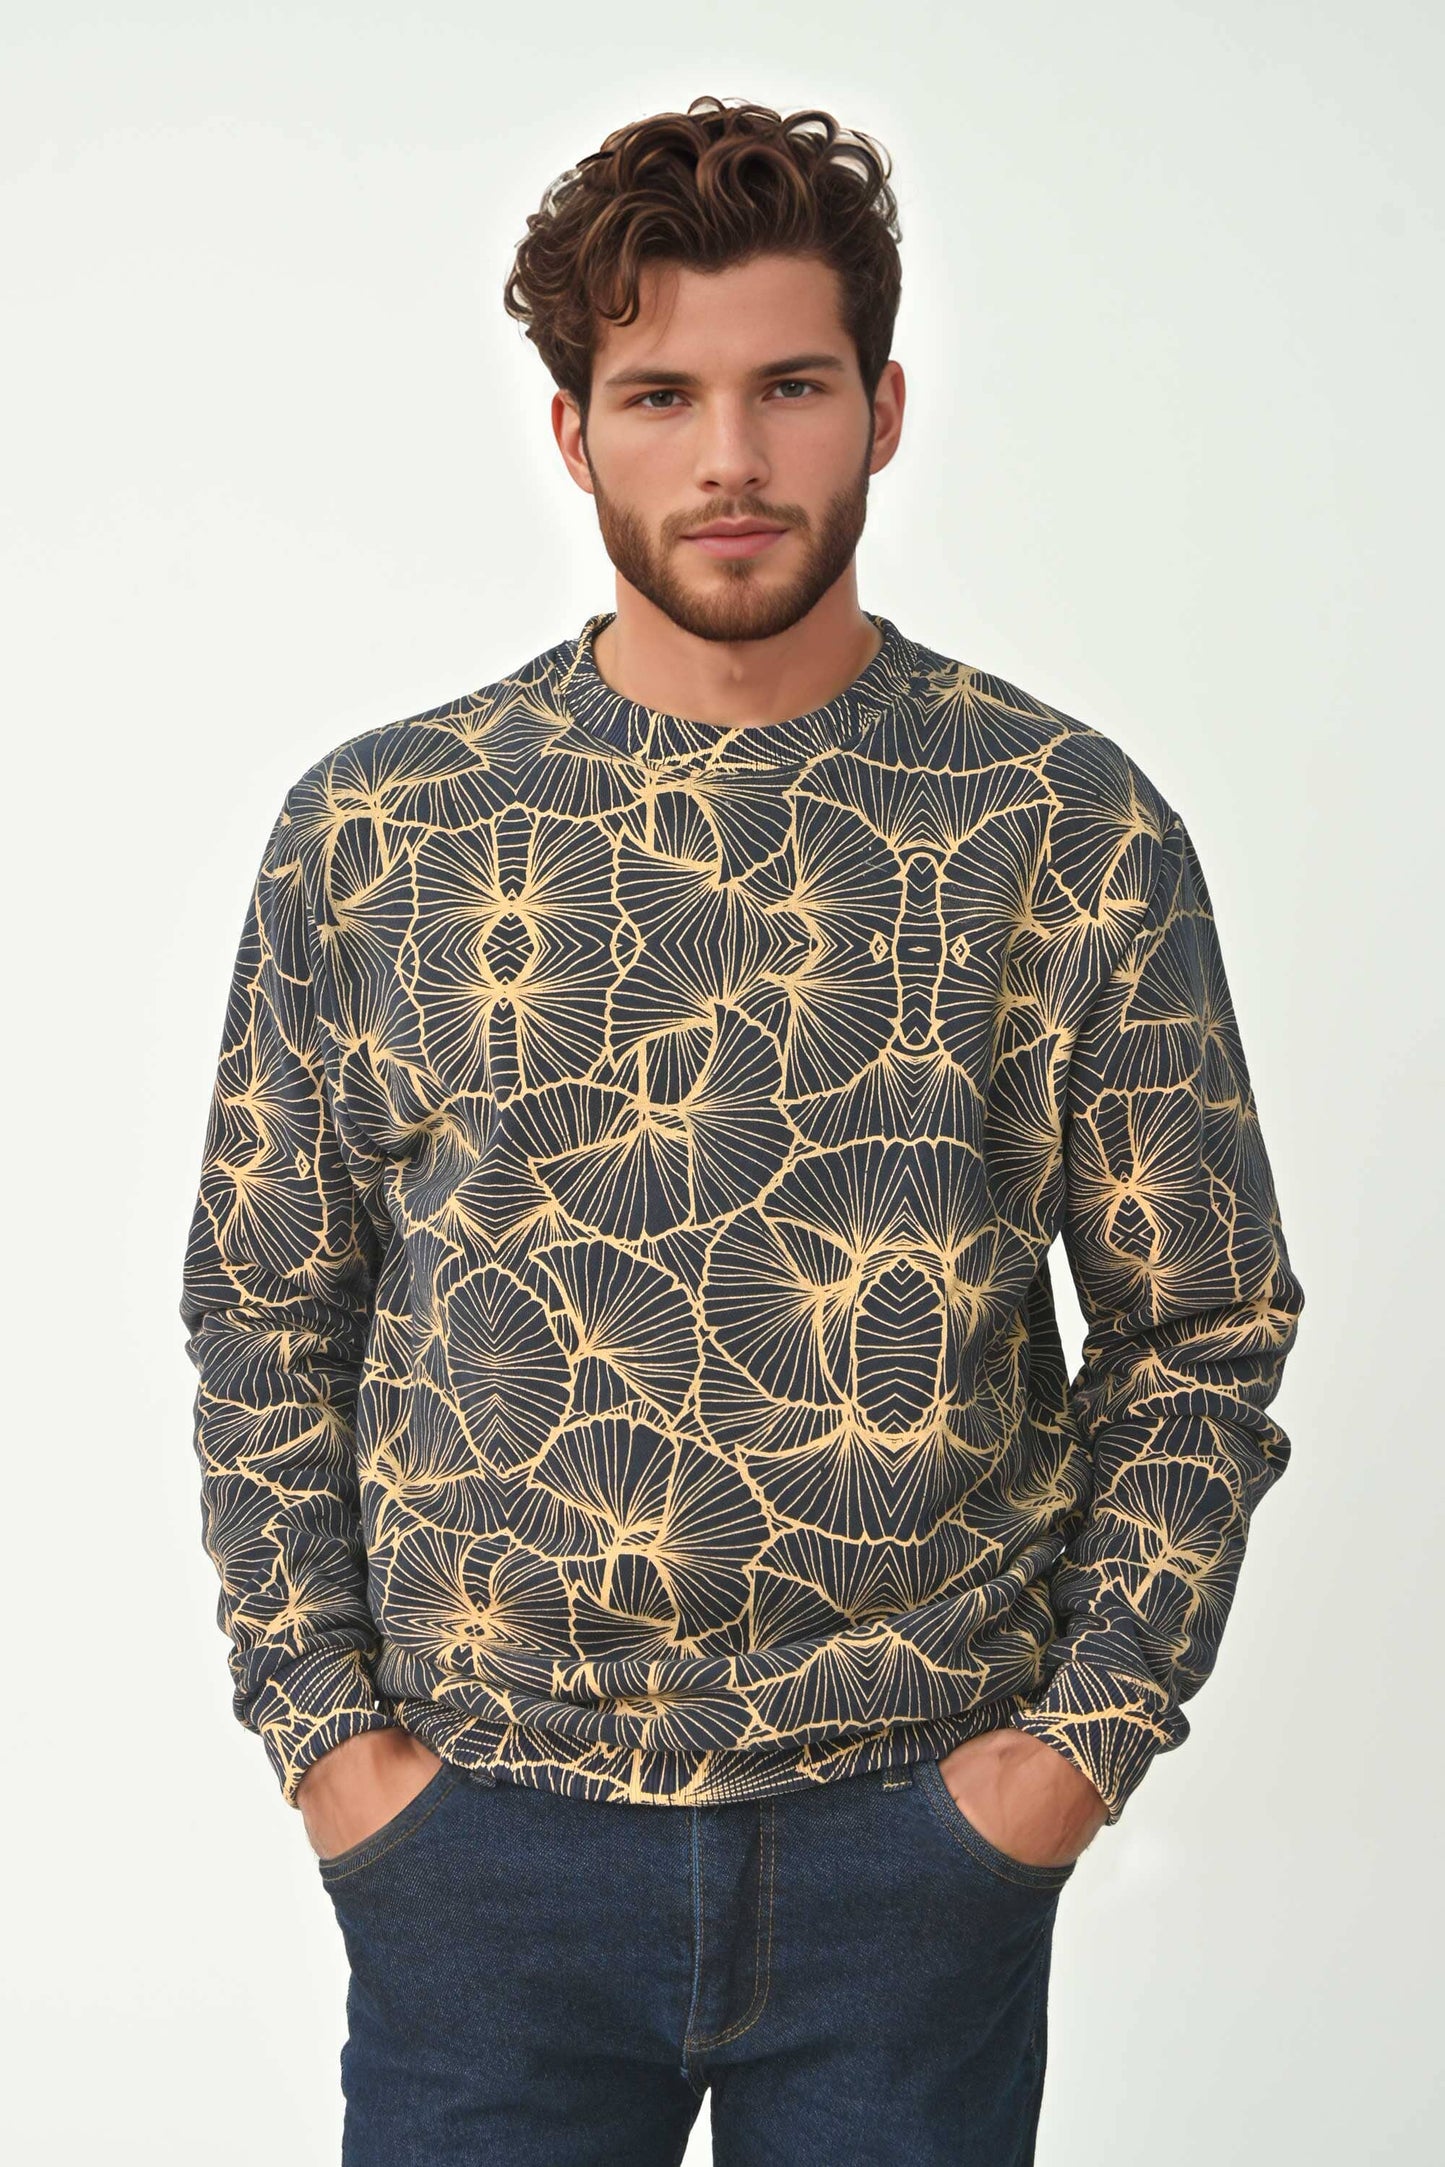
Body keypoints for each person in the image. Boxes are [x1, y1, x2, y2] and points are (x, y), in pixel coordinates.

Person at [179, 93, 1305, 2166]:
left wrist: (1065, 1757)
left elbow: (1203, 1329)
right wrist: (335, 1750)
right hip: (483, 1858)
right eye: (660, 396)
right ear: (571, 434)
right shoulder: (381, 832)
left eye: (788, 386)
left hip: (913, 1847)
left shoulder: (1061, 825)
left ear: (883, 408)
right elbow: (265, 1311)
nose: (729, 458)